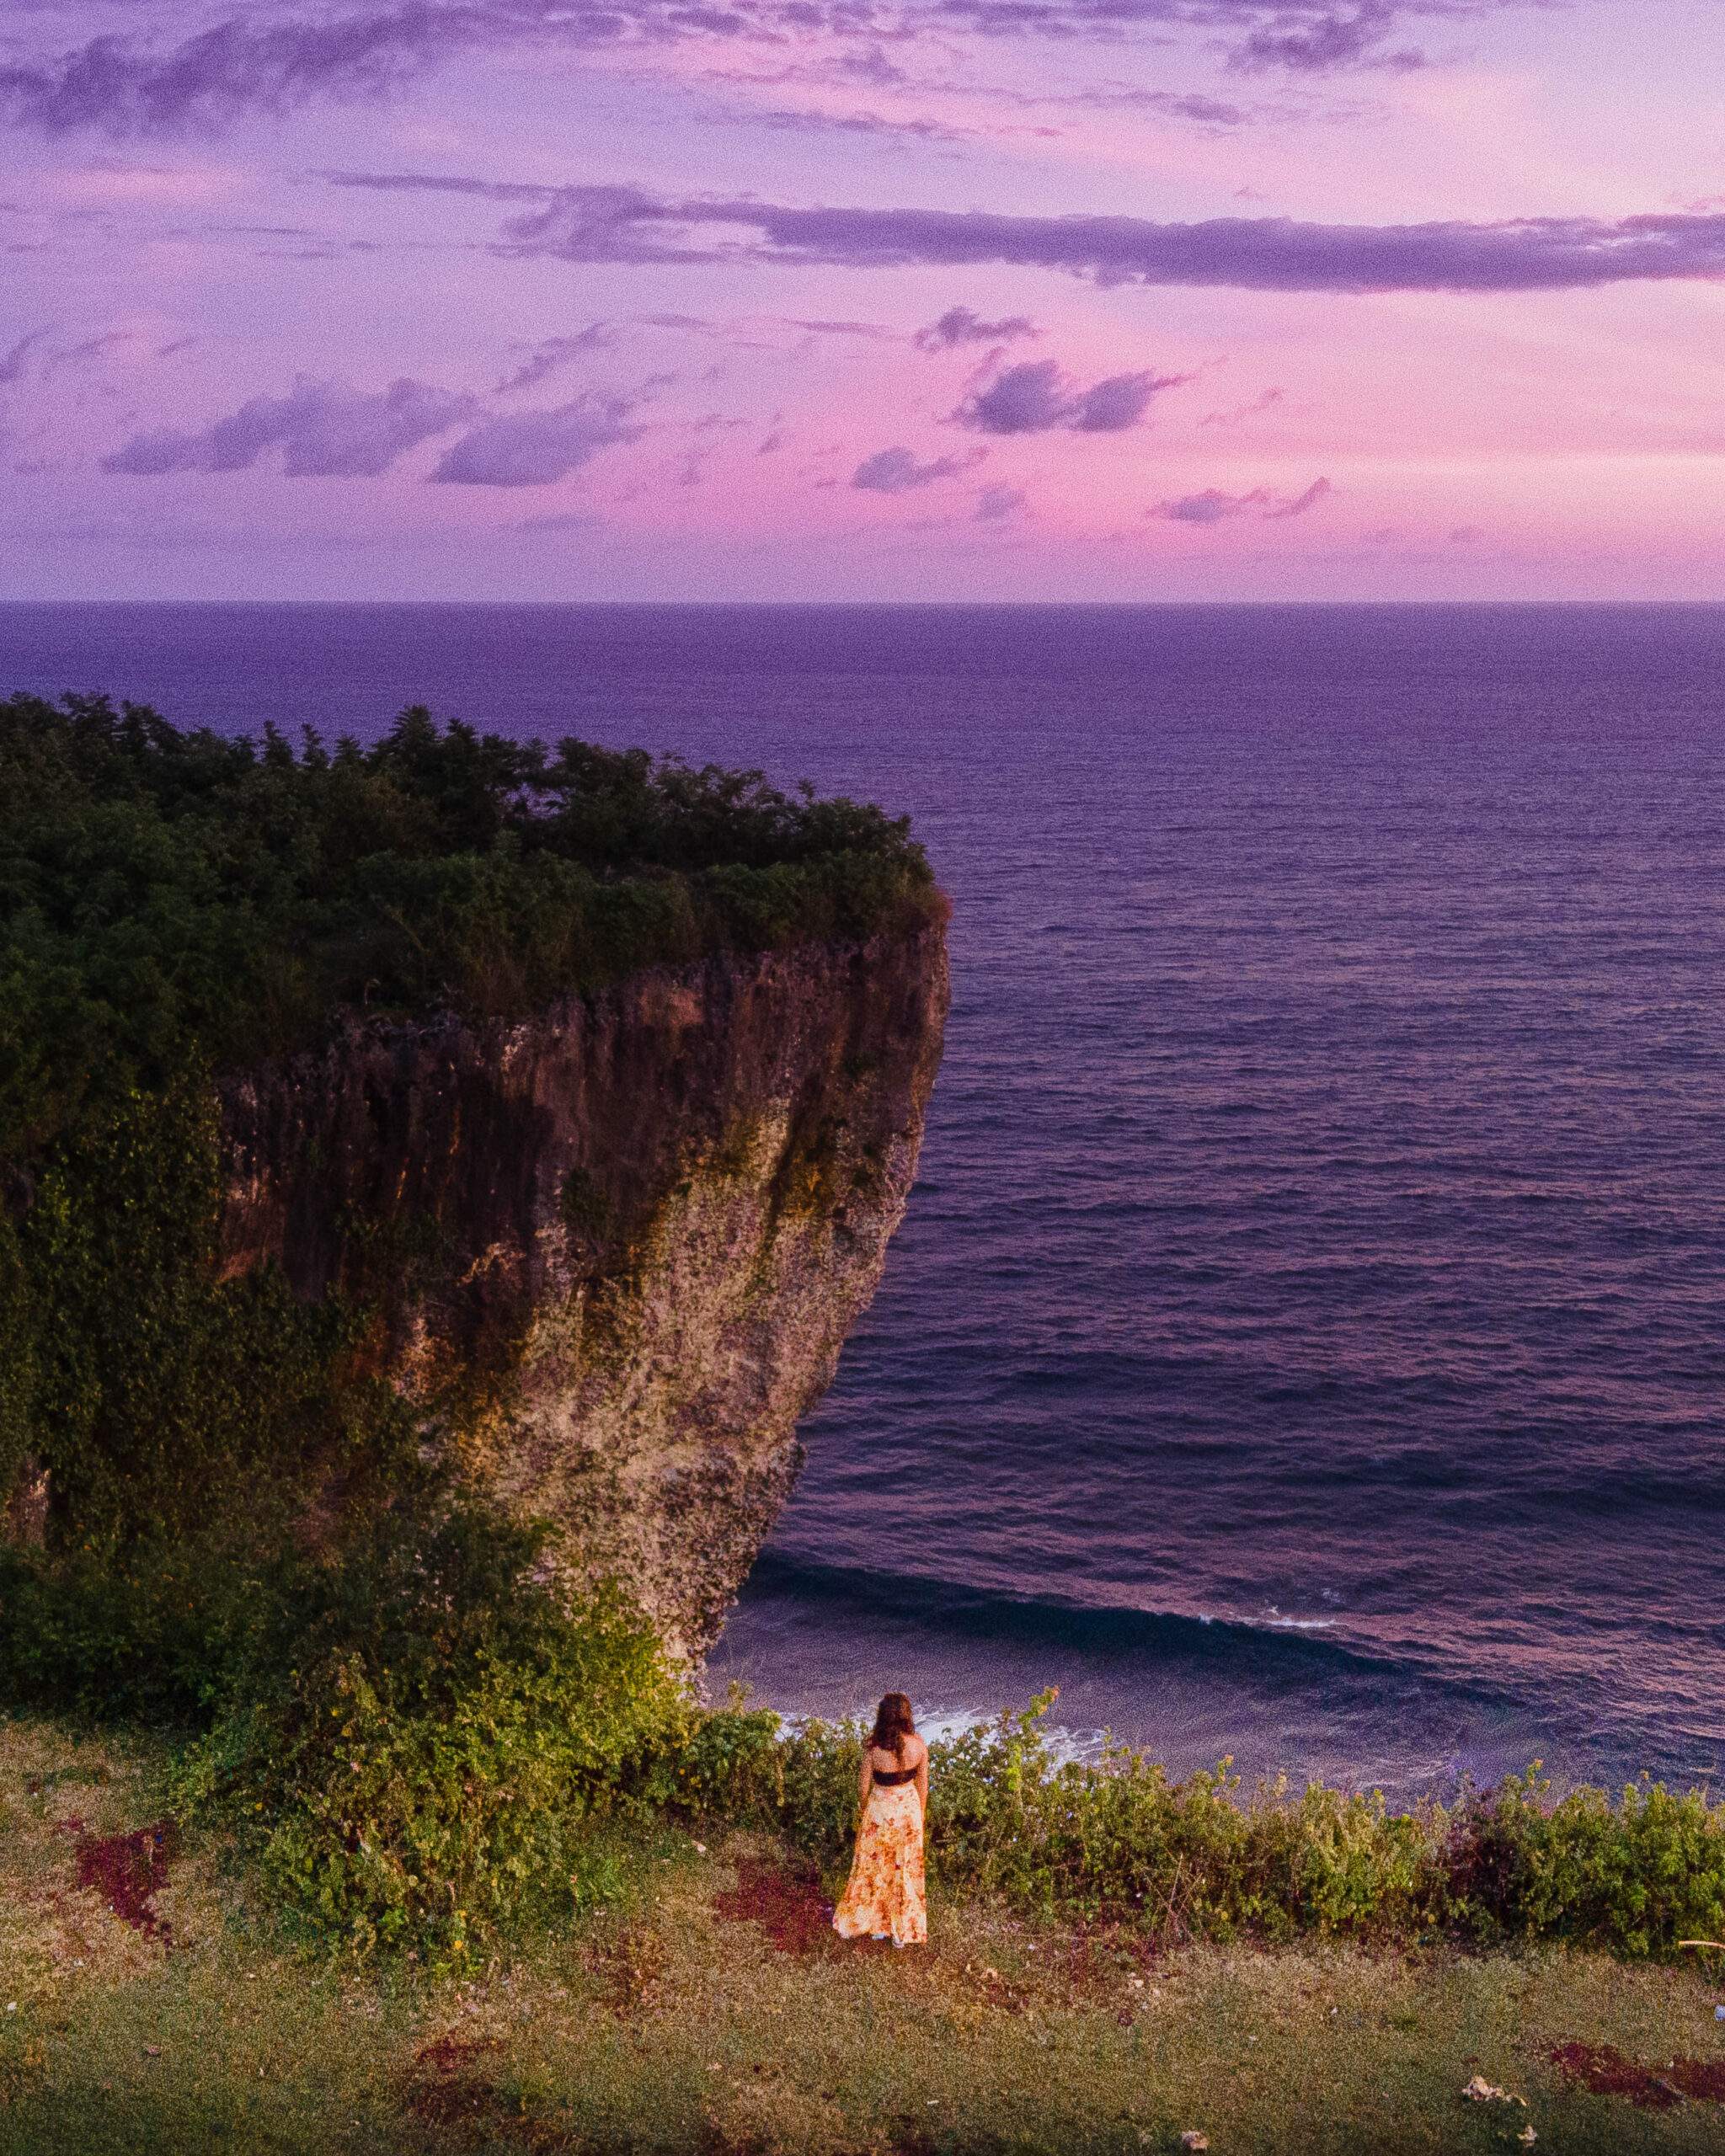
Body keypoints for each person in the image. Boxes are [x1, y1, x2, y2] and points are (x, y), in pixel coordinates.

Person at [832, 1691, 928, 1948]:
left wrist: (865, 1812)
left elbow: (863, 1788)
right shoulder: (919, 1745)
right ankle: (900, 1932)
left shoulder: (873, 1749)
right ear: (908, 1716)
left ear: (882, 1717)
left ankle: (870, 1923)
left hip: (880, 1814)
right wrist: (921, 1816)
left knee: (872, 1870)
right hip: (909, 1813)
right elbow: (923, 1786)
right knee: (903, 1871)